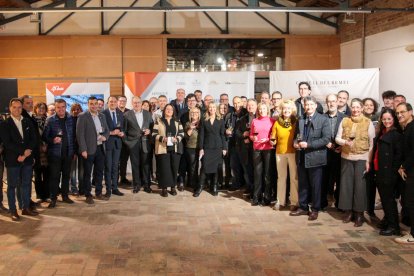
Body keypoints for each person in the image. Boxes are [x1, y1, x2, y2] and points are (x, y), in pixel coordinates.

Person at [335, 98, 375, 227]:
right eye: (353, 107)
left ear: (362, 108)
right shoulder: (345, 120)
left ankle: (359, 214)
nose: (355, 110)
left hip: (361, 158)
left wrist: (368, 161)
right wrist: (345, 142)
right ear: (350, 108)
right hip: (346, 157)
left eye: (358, 107)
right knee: (346, 186)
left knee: (360, 187)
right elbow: (337, 138)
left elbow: (372, 144)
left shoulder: (368, 122)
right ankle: (348, 212)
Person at [290, 96, 330, 221]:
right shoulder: (301, 119)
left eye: (311, 104)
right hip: (301, 157)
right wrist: (295, 143)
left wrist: (309, 145)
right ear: (304, 106)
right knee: (303, 184)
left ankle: (315, 209)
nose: (308, 107)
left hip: (316, 158)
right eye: (306, 105)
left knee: (316, 185)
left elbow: (326, 139)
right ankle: (303, 207)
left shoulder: (323, 119)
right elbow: (296, 136)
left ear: (316, 105)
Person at [0, 98, 38, 220]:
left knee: (26, 184)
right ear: (10, 108)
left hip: (26, 159)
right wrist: (22, 152)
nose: (17, 109)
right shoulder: (5, 124)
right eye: (14, 107)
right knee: (12, 186)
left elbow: (34, 139)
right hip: (13, 160)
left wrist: (26, 154)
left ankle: (25, 208)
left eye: (19, 107)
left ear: (22, 108)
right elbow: (7, 143)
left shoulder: (28, 122)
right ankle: (13, 211)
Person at [373, 108, 402, 236]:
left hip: (388, 173)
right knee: (385, 200)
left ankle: (394, 226)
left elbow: (398, 156)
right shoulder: (382, 131)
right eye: (384, 119)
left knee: (389, 200)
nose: (386, 121)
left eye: (389, 119)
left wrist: (392, 173)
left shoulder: (396, 135)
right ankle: (389, 222)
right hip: (380, 171)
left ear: (394, 119)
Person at [43, 99, 76, 208]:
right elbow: (44, 136)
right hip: (55, 154)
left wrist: (74, 151)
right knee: (54, 177)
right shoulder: (50, 120)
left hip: (68, 153)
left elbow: (74, 137)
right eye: (58, 107)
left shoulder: (71, 119)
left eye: (63, 107)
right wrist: (53, 140)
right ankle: (53, 199)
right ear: (55, 108)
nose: (61, 109)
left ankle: (65, 196)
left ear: (65, 107)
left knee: (66, 176)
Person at [76, 96, 109, 204]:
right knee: (87, 173)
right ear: (88, 104)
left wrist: (105, 136)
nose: (94, 106)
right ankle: (88, 194)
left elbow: (107, 131)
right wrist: (83, 149)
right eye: (91, 104)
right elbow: (80, 134)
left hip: (100, 148)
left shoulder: (102, 116)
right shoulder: (82, 116)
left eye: (95, 103)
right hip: (88, 149)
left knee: (99, 172)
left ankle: (98, 193)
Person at [193, 103, 227, 197]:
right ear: (208, 109)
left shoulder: (220, 120)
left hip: (218, 147)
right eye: (210, 107)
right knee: (204, 168)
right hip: (207, 147)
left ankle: (214, 186)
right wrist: (201, 148)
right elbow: (201, 135)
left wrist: (224, 148)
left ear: (216, 109)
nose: (211, 109)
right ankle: (200, 187)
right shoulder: (204, 120)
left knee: (216, 168)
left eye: (213, 107)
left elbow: (223, 135)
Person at [270, 100, 298, 211]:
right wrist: (272, 141)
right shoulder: (277, 123)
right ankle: (280, 201)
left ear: (292, 110)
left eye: (289, 108)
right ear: (281, 110)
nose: (286, 110)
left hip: (293, 153)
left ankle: (294, 202)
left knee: (294, 178)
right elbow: (273, 136)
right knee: (281, 178)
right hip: (280, 153)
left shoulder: (296, 122)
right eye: (284, 108)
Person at [123, 96, 153, 194]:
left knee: (146, 165)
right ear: (132, 103)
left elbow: (152, 127)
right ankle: (136, 185)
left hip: (145, 143)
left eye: (138, 102)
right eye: (135, 103)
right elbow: (124, 131)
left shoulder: (148, 114)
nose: (137, 104)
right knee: (135, 165)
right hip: (133, 144)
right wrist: (128, 143)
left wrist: (150, 131)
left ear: (141, 103)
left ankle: (147, 185)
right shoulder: (127, 115)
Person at [153, 104, 184, 197]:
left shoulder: (177, 121)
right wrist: (163, 138)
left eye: (171, 109)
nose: (169, 110)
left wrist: (177, 139)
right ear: (164, 110)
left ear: (173, 111)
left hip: (175, 148)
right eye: (167, 109)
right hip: (163, 149)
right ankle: (164, 188)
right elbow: (154, 134)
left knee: (174, 169)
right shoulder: (158, 121)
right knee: (164, 169)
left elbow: (182, 133)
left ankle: (173, 187)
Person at [322, 94, 346, 210]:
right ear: (326, 103)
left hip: (340, 153)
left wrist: (342, 147)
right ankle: (324, 203)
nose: (331, 104)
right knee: (324, 179)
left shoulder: (345, 118)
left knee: (340, 179)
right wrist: (325, 142)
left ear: (337, 102)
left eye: (333, 101)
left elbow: (348, 136)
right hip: (324, 152)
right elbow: (317, 134)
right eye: (329, 101)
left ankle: (339, 204)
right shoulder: (321, 117)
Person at [395, 103, 414, 244]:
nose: (399, 115)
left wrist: (403, 166)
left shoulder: (412, 128)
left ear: (410, 112)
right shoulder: (407, 128)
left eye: (402, 112)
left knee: (410, 202)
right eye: (397, 113)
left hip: (412, 171)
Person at [250, 103, 275, 206]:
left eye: (264, 108)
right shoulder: (254, 121)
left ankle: (267, 197)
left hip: (268, 149)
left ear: (267, 109)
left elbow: (274, 136)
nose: (261, 110)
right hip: (257, 149)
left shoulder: (272, 121)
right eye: (260, 109)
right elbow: (251, 134)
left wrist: (268, 139)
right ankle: (256, 197)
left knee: (267, 174)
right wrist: (253, 138)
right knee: (257, 173)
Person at [102, 96, 125, 197]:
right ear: (107, 103)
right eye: (111, 101)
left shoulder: (120, 113)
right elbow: (101, 129)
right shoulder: (103, 114)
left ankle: (115, 188)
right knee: (108, 167)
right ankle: (108, 190)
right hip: (108, 143)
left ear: (117, 103)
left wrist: (122, 133)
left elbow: (123, 127)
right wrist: (111, 133)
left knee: (116, 167)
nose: (113, 103)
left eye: (115, 101)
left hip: (118, 144)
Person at [234, 99, 257, 196]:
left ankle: (257, 190)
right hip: (244, 149)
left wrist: (251, 138)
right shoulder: (242, 119)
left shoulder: (260, 117)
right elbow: (236, 132)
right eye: (248, 105)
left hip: (257, 149)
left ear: (256, 106)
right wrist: (243, 135)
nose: (250, 107)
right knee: (247, 171)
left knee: (257, 171)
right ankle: (250, 188)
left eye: (252, 105)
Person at [224, 96, 247, 191]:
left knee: (245, 166)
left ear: (242, 103)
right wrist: (226, 131)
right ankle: (237, 183)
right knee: (234, 165)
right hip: (233, 144)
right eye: (235, 103)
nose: (237, 105)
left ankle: (247, 185)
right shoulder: (230, 114)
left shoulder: (246, 113)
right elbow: (224, 127)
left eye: (238, 102)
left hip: (245, 144)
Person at [33, 102, 49, 202]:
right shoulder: (31, 120)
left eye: (43, 108)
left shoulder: (49, 120)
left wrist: (46, 145)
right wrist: (39, 145)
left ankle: (46, 195)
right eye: (39, 108)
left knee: (47, 175)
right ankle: (39, 196)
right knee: (38, 175)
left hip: (47, 151)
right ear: (35, 109)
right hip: (36, 151)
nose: (41, 109)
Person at [183, 107, 201, 188]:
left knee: (200, 166)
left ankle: (199, 182)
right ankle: (192, 183)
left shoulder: (202, 123)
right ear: (190, 114)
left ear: (199, 114)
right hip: (191, 148)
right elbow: (186, 136)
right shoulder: (187, 123)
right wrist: (190, 128)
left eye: (196, 112)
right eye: (192, 112)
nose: (194, 114)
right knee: (192, 166)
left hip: (201, 147)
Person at [70, 103, 83, 196]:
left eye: (78, 109)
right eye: (74, 109)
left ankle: (82, 188)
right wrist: (73, 151)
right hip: (73, 149)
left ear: (81, 110)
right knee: (73, 171)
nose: (76, 111)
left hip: (82, 149)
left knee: (82, 170)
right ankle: (74, 188)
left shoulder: (83, 120)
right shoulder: (69, 121)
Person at [118, 96, 131, 187]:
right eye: (121, 100)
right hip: (116, 140)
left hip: (126, 141)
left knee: (124, 161)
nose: (122, 102)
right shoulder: (114, 111)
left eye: (124, 101)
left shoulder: (129, 112)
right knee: (115, 161)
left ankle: (123, 178)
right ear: (118, 102)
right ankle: (114, 179)